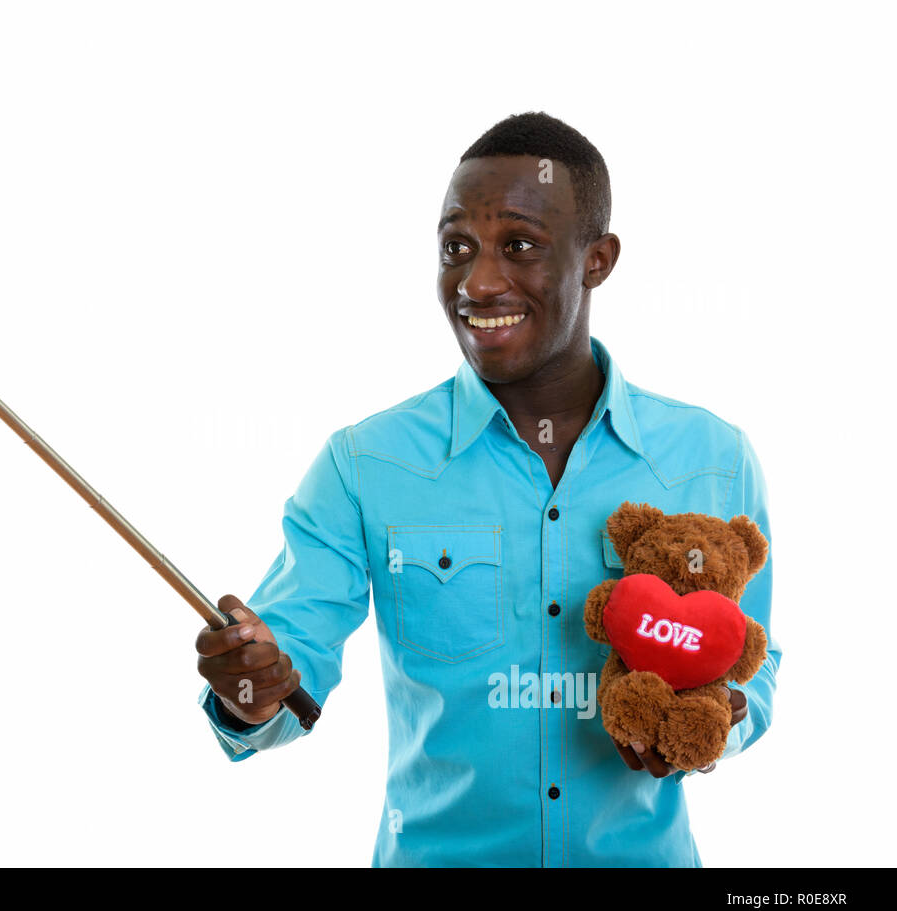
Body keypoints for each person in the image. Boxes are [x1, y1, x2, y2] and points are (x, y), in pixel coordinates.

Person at [194, 111, 779, 867]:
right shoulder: (364, 464)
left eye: (520, 246)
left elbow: (752, 663)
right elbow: (280, 668)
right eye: (456, 247)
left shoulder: (713, 458)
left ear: (597, 259)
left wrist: (712, 721)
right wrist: (252, 690)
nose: (477, 281)